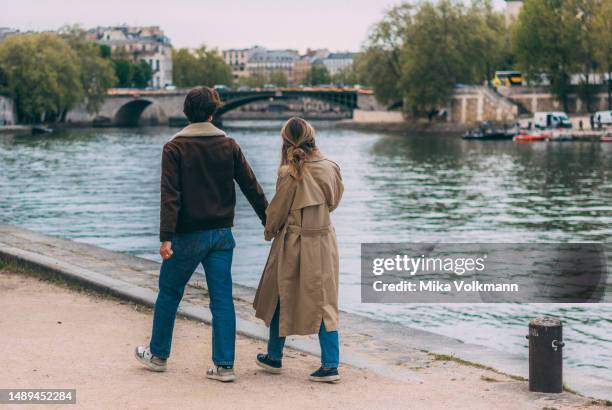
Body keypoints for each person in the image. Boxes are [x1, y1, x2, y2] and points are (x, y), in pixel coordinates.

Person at [135, 87, 268, 382]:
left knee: (169, 293)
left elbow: (170, 195)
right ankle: (224, 366)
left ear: (185, 112)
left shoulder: (174, 147)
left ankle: (158, 356)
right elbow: (251, 186)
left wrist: (166, 236)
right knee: (222, 300)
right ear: (213, 112)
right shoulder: (228, 144)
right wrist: (268, 221)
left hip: (186, 234)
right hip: (222, 234)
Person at [253, 117, 344, 382]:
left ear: (286, 142)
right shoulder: (330, 167)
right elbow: (334, 201)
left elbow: (277, 212)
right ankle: (330, 363)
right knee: (325, 299)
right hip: (323, 241)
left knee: (281, 294)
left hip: (293, 242)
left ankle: (274, 356)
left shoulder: (288, 173)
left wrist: (270, 231)